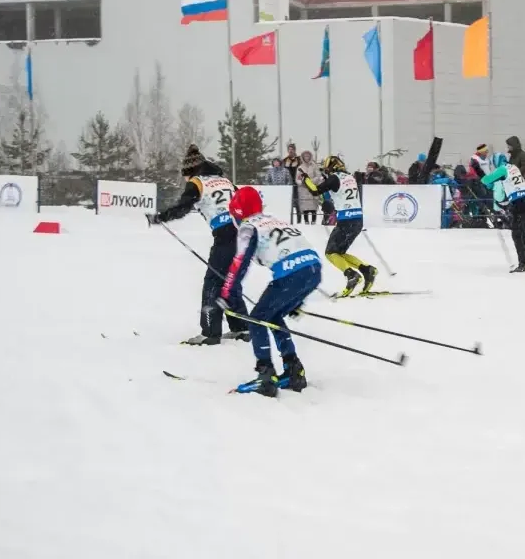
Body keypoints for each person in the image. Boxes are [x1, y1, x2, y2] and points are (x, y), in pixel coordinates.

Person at [218, 186, 319, 398]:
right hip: (312, 269)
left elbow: (239, 262)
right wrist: (297, 300)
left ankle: (266, 375)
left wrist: (227, 293)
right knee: (272, 316)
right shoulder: (273, 220)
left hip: (291, 274)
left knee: (256, 319)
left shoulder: (248, 226)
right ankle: (293, 370)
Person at [147, 145, 249, 344]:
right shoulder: (225, 181)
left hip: (225, 236)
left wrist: (161, 217)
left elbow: (182, 208)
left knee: (213, 283)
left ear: (190, 171)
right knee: (229, 281)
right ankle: (242, 327)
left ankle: (210, 333)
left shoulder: (197, 182)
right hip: (244, 233)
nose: (185, 180)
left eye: (184, 175)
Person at [298, 155, 378, 295]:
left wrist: (306, 179)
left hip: (346, 220)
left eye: (327, 169)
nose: (327, 171)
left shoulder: (334, 178)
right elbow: (335, 193)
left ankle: (351, 275)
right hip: (357, 220)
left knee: (330, 253)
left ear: (332, 167)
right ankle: (367, 270)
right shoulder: (349, 177)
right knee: (339, 254)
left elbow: (315, 190)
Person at [482, 153, 525, 272]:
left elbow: (486, 180)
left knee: (517, 234)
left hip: (518, 203)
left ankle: (523, 264)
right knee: (522, 233)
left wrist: (486, 181)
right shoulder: (513, 167)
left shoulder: (502, 169)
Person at [294, 150, 321, 224]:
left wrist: (311, 182)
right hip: (303, 189)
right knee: (305, 206)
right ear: (302, 157)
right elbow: (297, 179)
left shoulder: (314, 166)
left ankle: (313, 220)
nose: (306, 157)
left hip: (313, 188)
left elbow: (318, 176)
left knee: (313, 206)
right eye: (305, 156)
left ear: (310, 156)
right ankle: (306, 221)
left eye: (308, 156)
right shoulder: (300, 167)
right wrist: (302, 182)